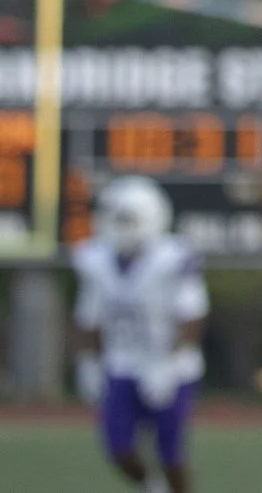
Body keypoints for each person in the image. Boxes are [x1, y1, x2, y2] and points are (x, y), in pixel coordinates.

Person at [72, 176, 206, 493]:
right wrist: (89, 361)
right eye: (116, 218)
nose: (120, 227)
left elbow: (192, 318)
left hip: (172, 367)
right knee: (117, 446)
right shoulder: (95, 260)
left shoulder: (174, 259)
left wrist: (168, 364)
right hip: (122, 362)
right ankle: (152, 488)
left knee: (171, 453)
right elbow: (89, 316)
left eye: (128, 219)